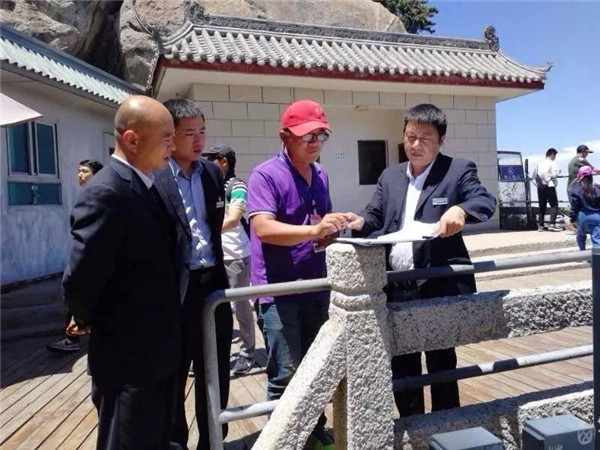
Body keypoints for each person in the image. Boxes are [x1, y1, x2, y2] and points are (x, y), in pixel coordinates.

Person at [345, 103, 496, 417]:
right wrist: (357, 222)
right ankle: (412, 427)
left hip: (437, 285)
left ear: (441, 139)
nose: (415, 144)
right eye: (410, 136)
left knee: (442, 361)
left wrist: (460, 210)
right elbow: (374, 215)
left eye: (425, 137)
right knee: (402, 364)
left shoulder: (457, 170)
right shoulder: (390, 176)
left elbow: (483, 200)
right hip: (397, 285)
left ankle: (446, 428)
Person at [62, 96, 185, 450]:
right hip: (129, 358)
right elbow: (81, 276)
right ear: (132, 140)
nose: (173, 146)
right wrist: (84, 318)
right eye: (166, 138)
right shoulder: (107, 192)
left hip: (159, 354)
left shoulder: (148, 183)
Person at [248, 100, 346, 449]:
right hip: (279, 292)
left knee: (316, 371)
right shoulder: (265, 175)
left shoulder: (320, 174)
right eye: (306, 135)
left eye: (321, 135)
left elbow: (319, 221)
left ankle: (314, 434)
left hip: (316, 287)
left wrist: (333, 228)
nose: (314, 142)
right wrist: (313, 231)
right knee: (285, 374)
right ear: (284, 137)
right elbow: (263, 228)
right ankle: (283, 442)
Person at [155, 99, 232, 450]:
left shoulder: (213, 174)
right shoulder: (156, 176)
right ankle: (175, 442)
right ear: (170, 136)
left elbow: (213, 226)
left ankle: (213, 440)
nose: (199, 140)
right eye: (190, 134)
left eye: (202, 132)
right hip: (176, 291)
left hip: (213, 285)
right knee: (174, 372)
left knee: (215, 369)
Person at [204, 144, 256, 375]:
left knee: (240, 306)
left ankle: (248, 352)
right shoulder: (208, 184)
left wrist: (204, 233)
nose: (207, 163)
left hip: (236, 256)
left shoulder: (237, 186)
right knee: (215, 307)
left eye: (212, 159)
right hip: (212, 256)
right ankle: (215, 353)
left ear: (224, 161)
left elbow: (234, 220)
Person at [47, 159, 103, 353]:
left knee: (77, 291)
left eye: (84, 171)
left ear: (96, 174)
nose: (80, 175)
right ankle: (72, 338)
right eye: (79, 171)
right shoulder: (90, 194)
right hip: (90, 259)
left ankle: (73, 338)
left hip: (95, 260)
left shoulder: (100, 196)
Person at [568, 166, 600, 249]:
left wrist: (572, 219)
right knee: (596, 239)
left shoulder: (576, 190)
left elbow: (575, 206)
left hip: (582, 216)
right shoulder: (598, 188)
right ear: (591, 177)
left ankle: (582, 253)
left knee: (581, 236)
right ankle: (597, 255)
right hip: (596, 216)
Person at [532, 148, 561, 231]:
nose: (555, 157)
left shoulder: (539, 163)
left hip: (540, 187)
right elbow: (555, 174)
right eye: (555, 155)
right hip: (550, 185)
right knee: (554, 205)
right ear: (552, 155)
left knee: (542, 206)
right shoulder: (552, 163)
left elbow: (533, 176)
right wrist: (559, 171)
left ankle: (541, 226)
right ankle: (552, 224)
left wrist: (539, 184)